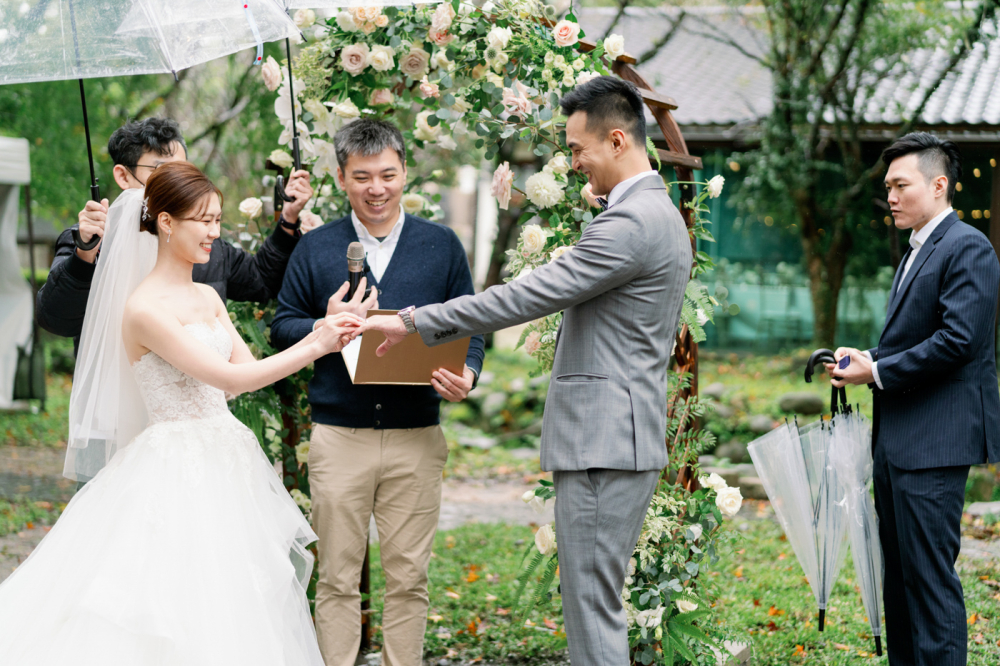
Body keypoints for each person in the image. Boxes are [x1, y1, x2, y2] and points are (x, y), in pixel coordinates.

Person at [364, 77, 692, 666]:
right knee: (595, 600)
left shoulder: (631, 223)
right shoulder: (649, 211)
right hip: (620, 436)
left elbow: (525, 297)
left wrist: (414, 320)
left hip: (603, 443)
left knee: (590, 606)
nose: (572, 163)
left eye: (576, 150)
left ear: (617, 140)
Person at [0, 161, 363, 665]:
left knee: (233, 603)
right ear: (166, 222)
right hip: (173, 468)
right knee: (170, 606)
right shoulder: (144, 309)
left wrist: (320, 327)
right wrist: (319, 343)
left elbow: (247, 374)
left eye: (217, 219)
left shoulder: (209, 295)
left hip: (229, 462)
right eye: (203, 220)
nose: (214, 231)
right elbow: (230, 378)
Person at [270, 118, 485, 666]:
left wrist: (470, 374)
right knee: (338, 579)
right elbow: (281, 326)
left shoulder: (441, 246)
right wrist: (326, 324)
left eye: (388, 174)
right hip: (339, 436)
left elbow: (472, 326)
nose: (377, 189)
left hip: (418, 436)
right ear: (342, 178)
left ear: (405, 172)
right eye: (362, 176)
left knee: (408, 579)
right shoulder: (317, 248)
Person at [827, 133, 1000, 666]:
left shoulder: (967, 245)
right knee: (899, 581)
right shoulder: (917, 249)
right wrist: (869, 357)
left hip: (936, 441)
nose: (892, 196)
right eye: (888, 187)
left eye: (901, 185)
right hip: (900, 440)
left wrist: (877, 370)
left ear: (939, 184)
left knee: (928, 583)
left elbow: (958, 341)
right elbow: (913, 341)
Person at [35, 117, 318, 349]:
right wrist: (84, 254)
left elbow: (262, 281)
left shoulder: (206, 242)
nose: (176, 182)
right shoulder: (88, 240)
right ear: (123, 176)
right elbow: (55, 321)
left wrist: (289, 218)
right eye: (162, 171)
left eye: (183, 170)